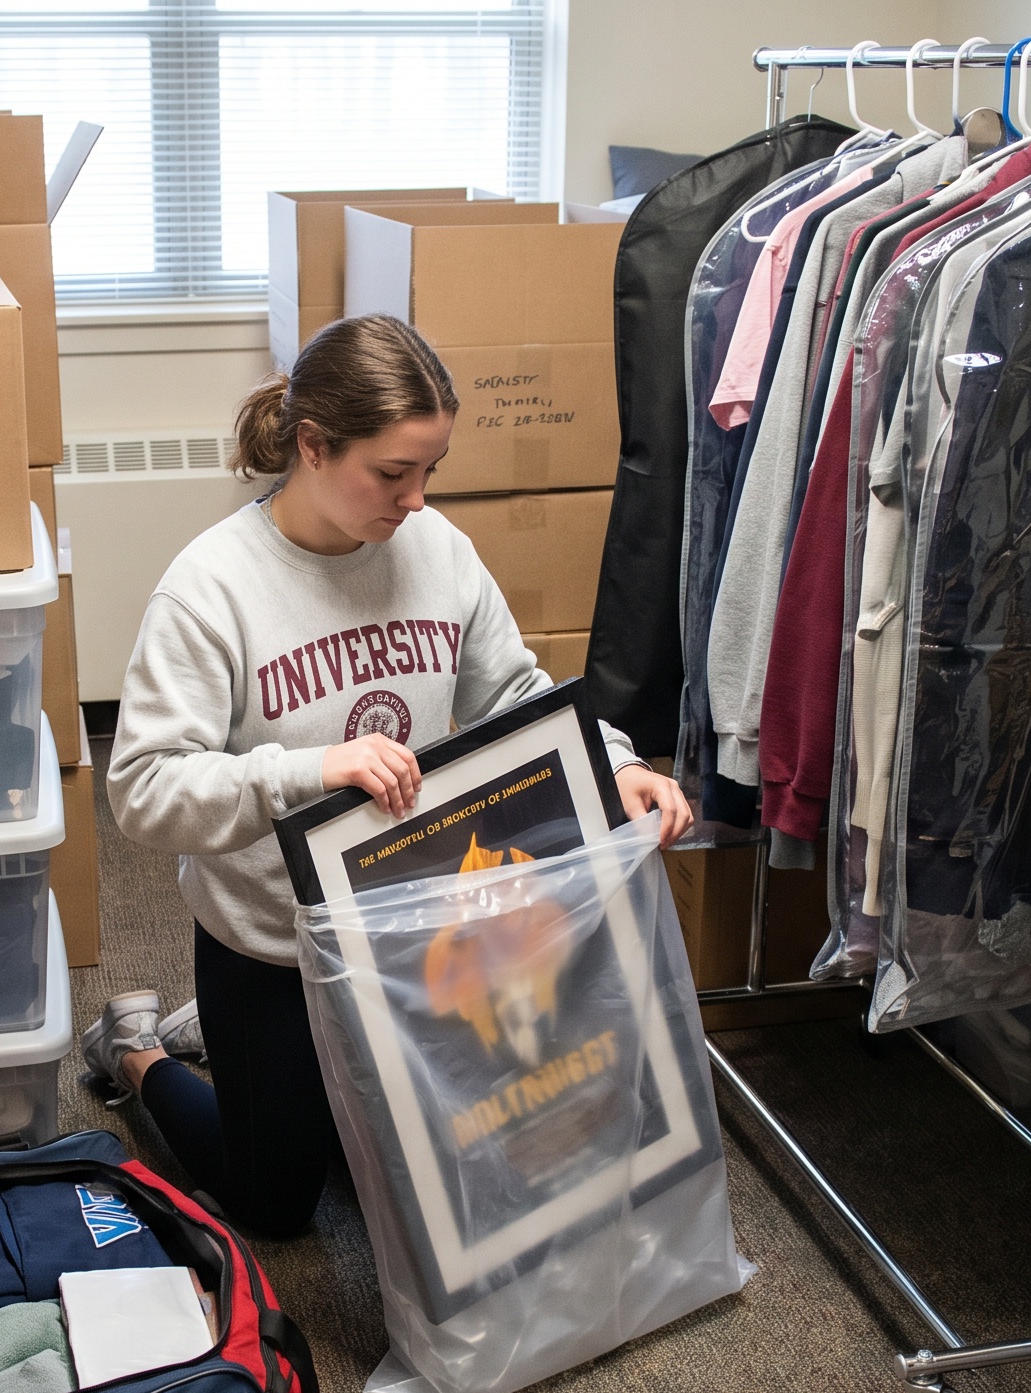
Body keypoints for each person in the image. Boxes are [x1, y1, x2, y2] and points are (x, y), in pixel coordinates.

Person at [87, 313, 694, 1238]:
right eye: (392, 472)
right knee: (276, 1209)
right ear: (313, 446)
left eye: (430, 470)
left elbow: (516, 695)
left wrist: (615, 764)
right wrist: (308, 770)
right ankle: (137, 1053)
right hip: (271, 943)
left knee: (435, 1172)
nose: (415, 500)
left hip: (410, 925)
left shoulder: (437, 549)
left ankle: (255, 1064)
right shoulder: (210, 587)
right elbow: (140, 790)